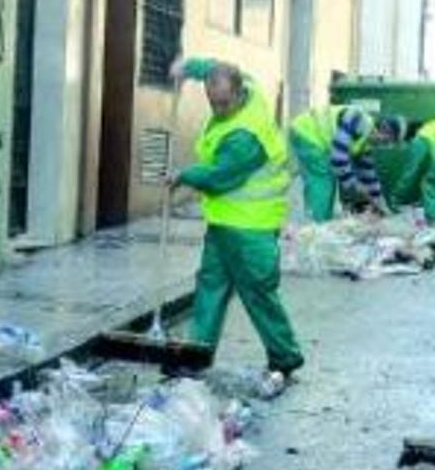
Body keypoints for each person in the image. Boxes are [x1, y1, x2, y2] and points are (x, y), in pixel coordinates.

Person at [167, 56, 304, 385]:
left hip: (251, 228)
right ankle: (195, 355)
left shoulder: (245, 136)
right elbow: (215, 67)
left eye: (225, 103)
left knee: (258, 293)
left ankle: (285, 356)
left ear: (239, 92)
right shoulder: (248, 85)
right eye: (213, 103)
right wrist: (188, 68)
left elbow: (219, 176)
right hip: (225, 224)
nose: (219, 110)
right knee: (210, 288)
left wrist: (182, 175)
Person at [289, 105, 406, 221]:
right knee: (323, 180)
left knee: (325, 182)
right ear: (384, 129)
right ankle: (316, 226)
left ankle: (318, 221)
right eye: (386, 141)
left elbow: (369, 177)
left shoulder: (366, 143)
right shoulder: (358, 120)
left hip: (316, 138)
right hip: (308, 132)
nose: (383, 145)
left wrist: (380, 203)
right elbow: (338, 160)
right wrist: (353, 185)